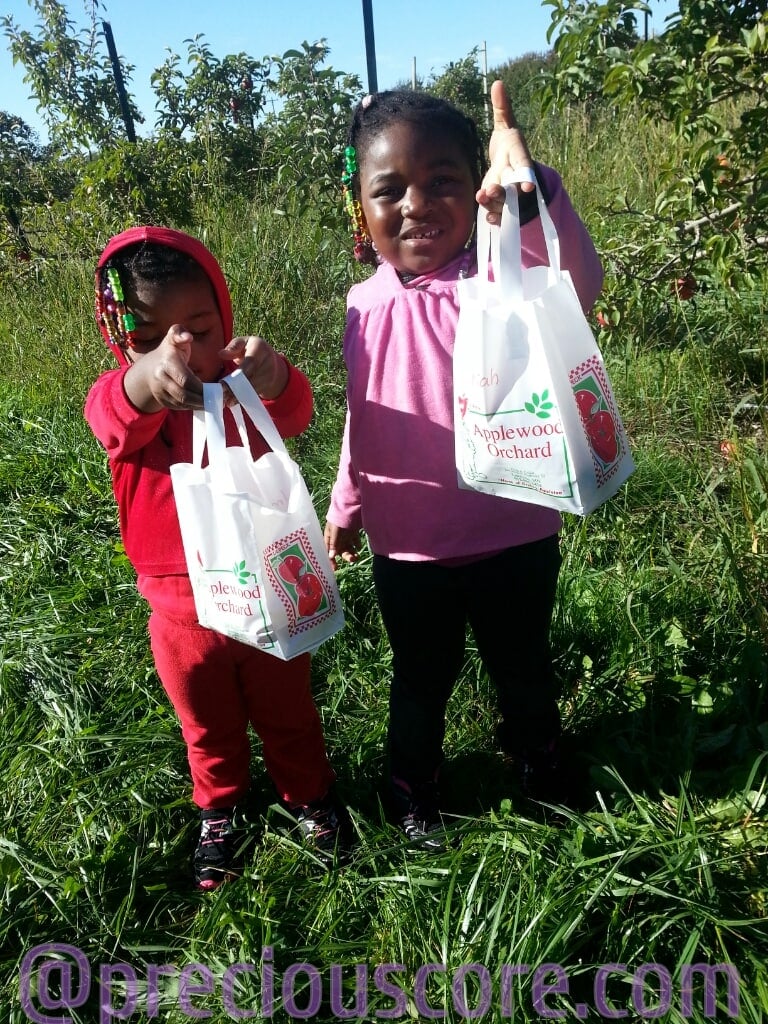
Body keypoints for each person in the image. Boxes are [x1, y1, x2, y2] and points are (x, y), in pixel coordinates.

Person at [325, 81, 604, 849]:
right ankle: (413, 785)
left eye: (443, 180)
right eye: (390, 190)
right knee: (421, 678)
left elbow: (577, 285)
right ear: (360, 207)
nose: (416, 204)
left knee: (524, 665)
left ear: (474, 186)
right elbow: (363, 415)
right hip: (409, 550)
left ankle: (538, 755)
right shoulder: (362, 305)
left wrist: (530, 188)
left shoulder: (499, 278)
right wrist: (347, 505)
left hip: (515, 532)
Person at [86, 226, 350, 889]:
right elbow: (111, 414)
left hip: (266, 592)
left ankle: (309, 795)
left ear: (223, 320)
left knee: (289, 711)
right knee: (206, 725)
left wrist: (274, 374)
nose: (179, 349)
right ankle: (219, 807)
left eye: (200, 329)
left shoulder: (238, 384)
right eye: (150, 338)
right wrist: (143, 378)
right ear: (122, 340)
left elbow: (296, 412)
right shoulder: (126, 400)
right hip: (182, 620)